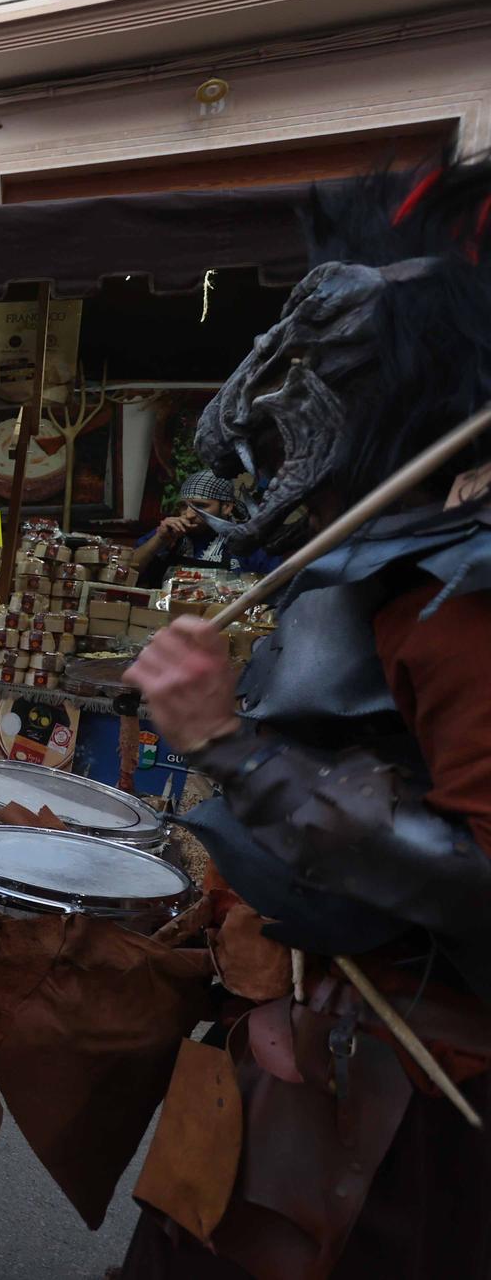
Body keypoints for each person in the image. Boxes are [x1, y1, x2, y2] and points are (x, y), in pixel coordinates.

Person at [117, 158, 491, 1277]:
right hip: (318, 1020)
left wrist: (226, 746)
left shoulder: (462, 605)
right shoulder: (371, 570)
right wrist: (255, 978)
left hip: (418, 1077)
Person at [131, 470, 270, 585]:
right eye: (184, 506)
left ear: (226, 507)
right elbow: (126, 572)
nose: (189, 514)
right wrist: (159, 540)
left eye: (201, 506)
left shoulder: (248, 542)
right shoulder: (166, 533)